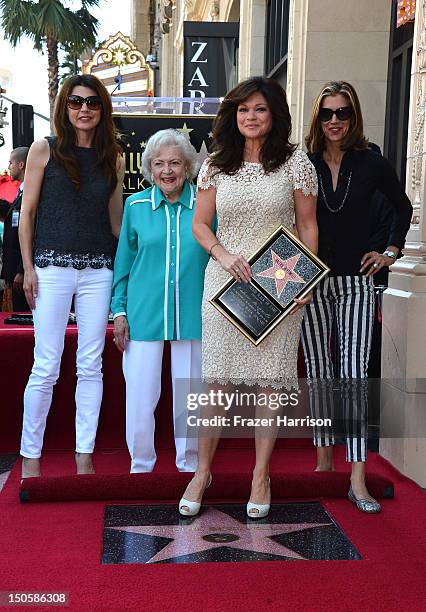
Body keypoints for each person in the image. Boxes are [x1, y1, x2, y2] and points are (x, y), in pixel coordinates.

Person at [178, 76, 318, 518]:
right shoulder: (216, 164)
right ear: (232, 116)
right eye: (243, 109)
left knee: (268, 381)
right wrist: (223, 252)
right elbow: (201, 225)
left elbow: (308, 226)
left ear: (274, 114)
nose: (250, 117)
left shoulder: (296, 162)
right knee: (216, 379)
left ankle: (261, 474)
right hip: (225, 282)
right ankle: (203, 472)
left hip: (280, 283)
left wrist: (305, 283)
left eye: (259, 109)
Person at [302, 81, 413, 512]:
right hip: (311, 282)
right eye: (327, 113)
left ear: (354, 116)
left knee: (351, 373)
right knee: (318, 370)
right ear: (318, 118)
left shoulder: (371, 162)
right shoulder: (303, 162)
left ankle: (357, 477)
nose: (334, 121)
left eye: (342, 113)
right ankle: (323, 463)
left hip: (357, 282)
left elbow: (402, 208)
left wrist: (390, 251)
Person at [19, 74, 125, 479]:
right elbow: (26, 214)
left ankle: (85, 454)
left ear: (102, 109)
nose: (84, 109)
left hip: (99, 271)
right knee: (45, 364)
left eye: (93, 102)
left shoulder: (112, 157)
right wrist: (28, 267)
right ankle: (31, 456)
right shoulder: (44, 150)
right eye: (76, 102)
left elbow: (115, 223)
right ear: (65, 107)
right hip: (50, 268)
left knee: (90, 365)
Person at [111, 129, 211, 473]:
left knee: (191, 396)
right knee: (140, 395)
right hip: (143, 314)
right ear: (149, 168)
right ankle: (141, 466)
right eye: (159, 164)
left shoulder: (205, 205)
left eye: (175, 163)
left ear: (187, 166)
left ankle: (189, 465)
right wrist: (119, 311)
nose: (167, 171)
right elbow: (122, 265)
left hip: (194, 314)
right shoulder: (135, 207)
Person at [0, 147, 30, 312]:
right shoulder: (21, 193)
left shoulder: (31, 194)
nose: (8, 166)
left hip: (22, 273)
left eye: (11, 162)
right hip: (15, 273)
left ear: (21, 164)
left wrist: (22, 270)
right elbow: (12, 214)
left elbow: (32, 235)